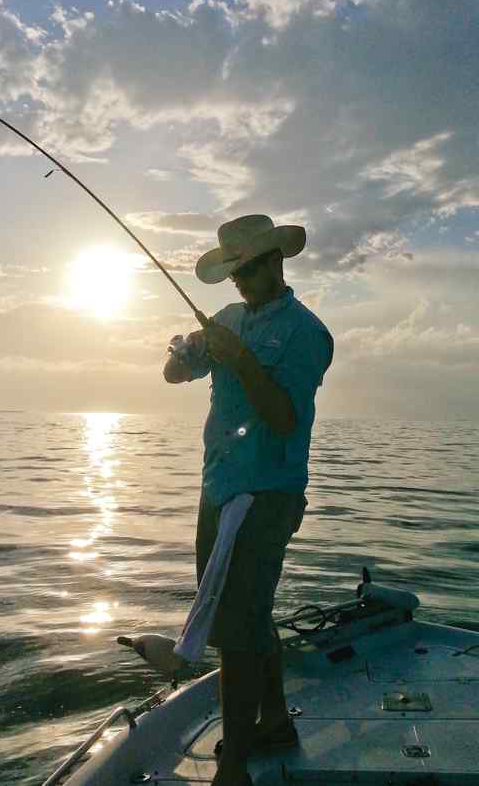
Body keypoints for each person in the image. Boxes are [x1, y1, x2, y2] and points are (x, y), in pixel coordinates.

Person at [163, 214, 333, 786]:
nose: (237, 281)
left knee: (235, 627)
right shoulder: (231, 318)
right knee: (251, 614)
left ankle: (233, 766)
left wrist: (238, 358)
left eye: (247, 269)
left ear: (275, 262)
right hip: (218, 486)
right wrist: (185, 356)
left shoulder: (309, 333)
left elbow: (284, 419)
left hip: (268, 494)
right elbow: (172, 377)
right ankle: (276, 721)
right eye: (232, 271)